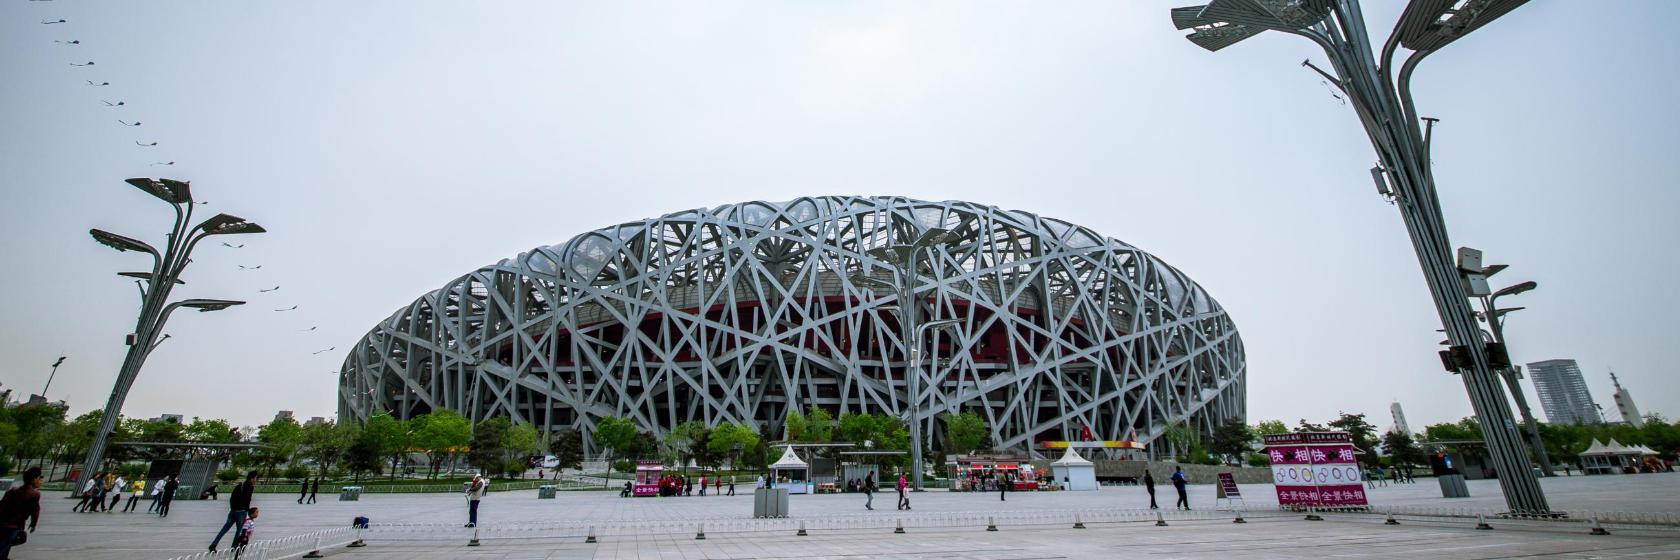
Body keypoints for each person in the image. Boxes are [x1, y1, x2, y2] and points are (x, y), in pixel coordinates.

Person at [0, 467, 44, 560]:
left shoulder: (12, 491)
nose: (41, 481)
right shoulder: (35, 494)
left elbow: (1, 506)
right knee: (4, 543)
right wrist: (33, 524)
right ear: (34, 479)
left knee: (6, 544)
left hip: (3, 523)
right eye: (40, 478)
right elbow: (35, 510)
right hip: (14, 525)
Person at [208, 471, 257, 552]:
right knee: (239, 531)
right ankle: (234, 547)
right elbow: (247, 500)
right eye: (255, 478)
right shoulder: (250, 487)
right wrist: (247, 510)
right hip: (241, 512)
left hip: (233, 511)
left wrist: (233, 508)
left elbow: (232, 498)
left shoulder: (240, 485)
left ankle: (213, 545)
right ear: (251, 479)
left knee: (224, 529)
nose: (256, 480)